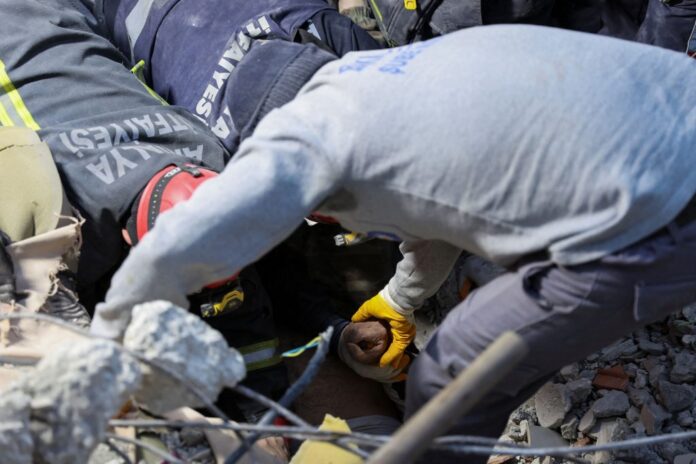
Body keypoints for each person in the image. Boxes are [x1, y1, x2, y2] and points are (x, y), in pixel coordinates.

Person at [94, 25, 696, 462]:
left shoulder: (306, 138)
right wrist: (398, 302)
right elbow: (434, 209)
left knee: (458, 362)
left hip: (660, 203)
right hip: (673, 112)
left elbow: (188, 237)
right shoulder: (380, 75)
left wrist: (108, 337)